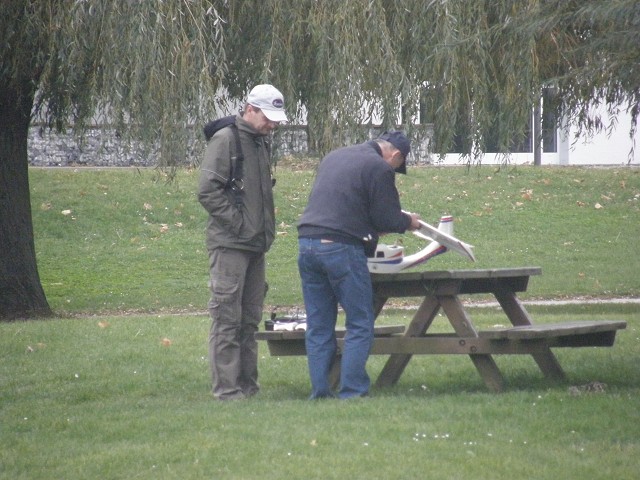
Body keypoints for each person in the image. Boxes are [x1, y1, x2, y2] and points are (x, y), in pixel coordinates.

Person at [297, 131, 421, 399]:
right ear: (396, 156)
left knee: (319, 324)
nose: (395, 170)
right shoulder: (380, 167)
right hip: (341, 248)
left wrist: (370, 226)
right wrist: (408, 222)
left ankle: (320, 392)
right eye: (398, 166)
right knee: (360, 321)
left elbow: (344, 206)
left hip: (307, 243)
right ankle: (352, 392)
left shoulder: (335, 156)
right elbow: (387, 217)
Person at [198, 84, 287, 400]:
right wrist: (240, 226)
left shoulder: (261, 143)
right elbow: (207, 191)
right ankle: (227, 390)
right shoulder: (226, 140)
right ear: (250, 109)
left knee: (249, 321)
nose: (273, 124)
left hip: (255, 247)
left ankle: (249, 388)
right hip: (230, 245)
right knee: (227, 319)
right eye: (268, 117)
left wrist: (261, 234)